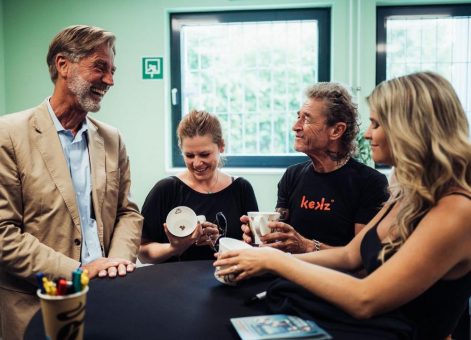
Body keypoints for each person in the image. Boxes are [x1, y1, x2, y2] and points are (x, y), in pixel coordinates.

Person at [215, 71, 471, 339]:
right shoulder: (406, 193)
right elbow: (350, 255)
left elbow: (365, 299)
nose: (369, 134)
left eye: (377, 124)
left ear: (411, 129)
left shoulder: (456, 211)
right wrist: (268, 258)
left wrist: (276, 261)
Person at [0, 25, 143, 340]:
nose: (110, 80)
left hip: (105, 299)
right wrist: (77, 273)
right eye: (100, 68)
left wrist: (117, 263)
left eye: (112, 70)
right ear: (63, 65)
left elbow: (128, 212)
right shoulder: (8, 135)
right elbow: (3, 234)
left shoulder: (111, 138)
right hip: (34, 309)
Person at [242, 83, 389, 253]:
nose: (295, 126)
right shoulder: (292, 175)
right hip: (288, 274)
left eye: (306, 119)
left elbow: (361, 261)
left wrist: (307, 246)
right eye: (298, 117)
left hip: (336, 279)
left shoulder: (370, 182)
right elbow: (282, 238)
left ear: (336, 130)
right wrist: (262, 236)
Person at [139, 110, 258, 263]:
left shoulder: (241, 189)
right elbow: (142, 253)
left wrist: (220, 242)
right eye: (189, 156)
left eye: (204, 154)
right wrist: (175, 247)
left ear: (221, 146)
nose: (197, 163)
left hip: (230, 282)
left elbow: (254, 248)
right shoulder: (166, 190)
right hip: (176, 284)